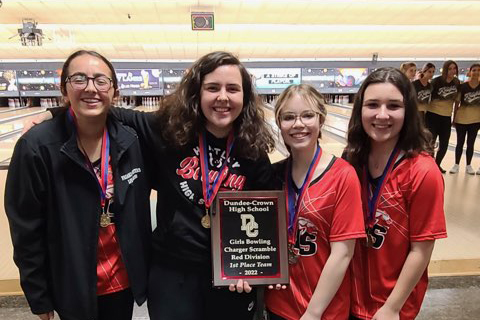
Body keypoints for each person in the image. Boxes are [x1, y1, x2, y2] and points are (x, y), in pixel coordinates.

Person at [34, 51, 276, 320]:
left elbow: (264, 223)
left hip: (229, 276)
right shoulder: (169, 131)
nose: (222, 97)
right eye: (212, 88)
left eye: (232, 89)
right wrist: (53, 112)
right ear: (197, 93)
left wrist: (249, 271)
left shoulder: (253, 153)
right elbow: (107, 109)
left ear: (244, 96)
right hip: (173, 274)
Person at [5, 50, 152, 320]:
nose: (91, 88)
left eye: (100, 81)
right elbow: (26, 229)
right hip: (71, 284)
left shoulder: (132, 139)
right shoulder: (35, 147)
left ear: (114, 90)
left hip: (122, 282)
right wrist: (38, 294)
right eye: (79, 79)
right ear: (64, 89)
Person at [345, 67, 447, 320]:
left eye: (393, 106)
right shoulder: (352, 161)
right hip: (349, 297)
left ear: (408, 111)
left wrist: (392, 308)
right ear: (360, 110)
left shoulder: (423, 171)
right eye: (372, 104)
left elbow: (421, 249)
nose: (382, 115)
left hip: (392, 306)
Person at [265, 84, 365, 320]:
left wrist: (313, 313)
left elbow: (342, 253)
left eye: (308, 115)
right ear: (279, 123)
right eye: (288, 117)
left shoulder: (343, 175)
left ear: (321, 120)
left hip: (324, 310)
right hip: (279, 304)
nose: (298, 124)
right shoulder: (273, 175)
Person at [425, 60, 460, 173]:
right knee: (431, 143)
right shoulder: (436, 81)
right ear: (445, 69)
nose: (452, 71)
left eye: (454, 68)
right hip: (433, 115)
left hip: (446, 117)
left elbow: (456, 101)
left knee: (444, 144)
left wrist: (455, 117)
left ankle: (437, 164)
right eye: (450, 68)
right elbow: (427, 98)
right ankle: (430, 166)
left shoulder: (456, 82)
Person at [450, 63, 480, 175]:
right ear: (470, 72)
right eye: (474, 70)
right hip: (462, 119)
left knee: (471, 143)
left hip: (476, 120)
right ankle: (456, 164)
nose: (476, 72)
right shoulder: (462, 87)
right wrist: (454, 119)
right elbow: (457, 103)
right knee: (460, 143)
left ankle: (468, 165)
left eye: (478, 70)